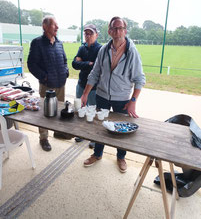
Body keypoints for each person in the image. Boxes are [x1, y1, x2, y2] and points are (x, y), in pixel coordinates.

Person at [81, 16, 146, 173]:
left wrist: (133, 101)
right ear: (109, 31)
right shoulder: (103, 50)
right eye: (114, 28)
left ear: (125, 30)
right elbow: (95, 73)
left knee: (121, 130)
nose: (117, 31)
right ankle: (97, 154)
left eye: (120, 28)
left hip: (121, 98)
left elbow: (140, 78)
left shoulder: (132, 52)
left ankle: (121, 157)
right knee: (99, 128)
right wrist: (85, 94)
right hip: (102, 95)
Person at [27, 16, 71, 152]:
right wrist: (44, 77)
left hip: (61, 83)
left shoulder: (59, 42)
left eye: (57, 25)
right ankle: (43, 138)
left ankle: (57, 131)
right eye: (54, 25)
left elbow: (64, 60)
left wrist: (66, 71)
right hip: (47, 85)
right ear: (45, 27)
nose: (57, 28)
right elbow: (31, 64)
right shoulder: (37, 43)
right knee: (45, 113)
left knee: (59, 110)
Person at [72, 24, 102, 148]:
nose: (87, 36)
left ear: (96, 35)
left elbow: (97, 68)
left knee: (93, 112)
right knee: (80, 110)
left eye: (90, 33)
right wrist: (88, 63)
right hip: (81, 84)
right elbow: (74, 64)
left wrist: (82, 63)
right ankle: (81, 133)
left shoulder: (101, 49)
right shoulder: (82, 48)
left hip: (94, 87)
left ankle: (93, 137)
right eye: (86, 33)